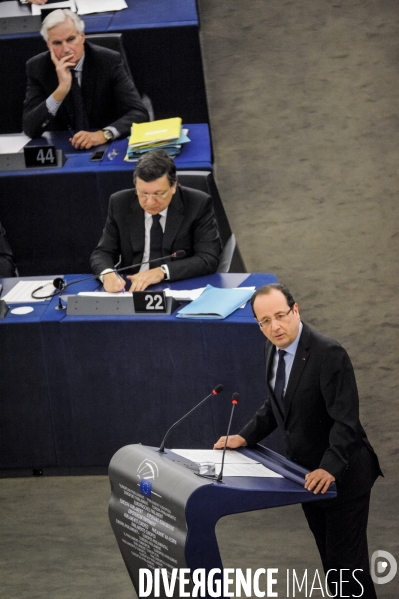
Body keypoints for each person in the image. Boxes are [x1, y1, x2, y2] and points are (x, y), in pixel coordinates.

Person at [214, 283, 382, 599]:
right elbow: (278, 403)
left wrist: (329, 469)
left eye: (280, 315)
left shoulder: (328, 353)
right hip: (305, 475)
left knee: (348, 564)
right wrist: (244, 436)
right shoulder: (272, 348)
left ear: (296, 310)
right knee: (332, 563)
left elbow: (346, 421)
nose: (274, 326)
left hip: (343, 474)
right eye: (264, 321)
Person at [91, 149, 222, 292]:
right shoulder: (120, 203)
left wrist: (162, 272)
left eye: (158, 194)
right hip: (132, 288)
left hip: (178, 286)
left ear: (173, 186)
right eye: (143, 193)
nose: (150, 202)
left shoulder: (198, 204)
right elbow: (103, 252)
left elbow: (208, 258)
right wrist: (107, 274)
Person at [22, 9, 148, 149]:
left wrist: (103, 134)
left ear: (82, 37)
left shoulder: (108, 61)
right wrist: (61, 90)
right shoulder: (38, 68)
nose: (66, 49)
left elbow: (139, 114)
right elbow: (30, 128)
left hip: (106, 146)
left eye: (71, 39)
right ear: (48, 45)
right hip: (63, 148)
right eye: (57, 43)